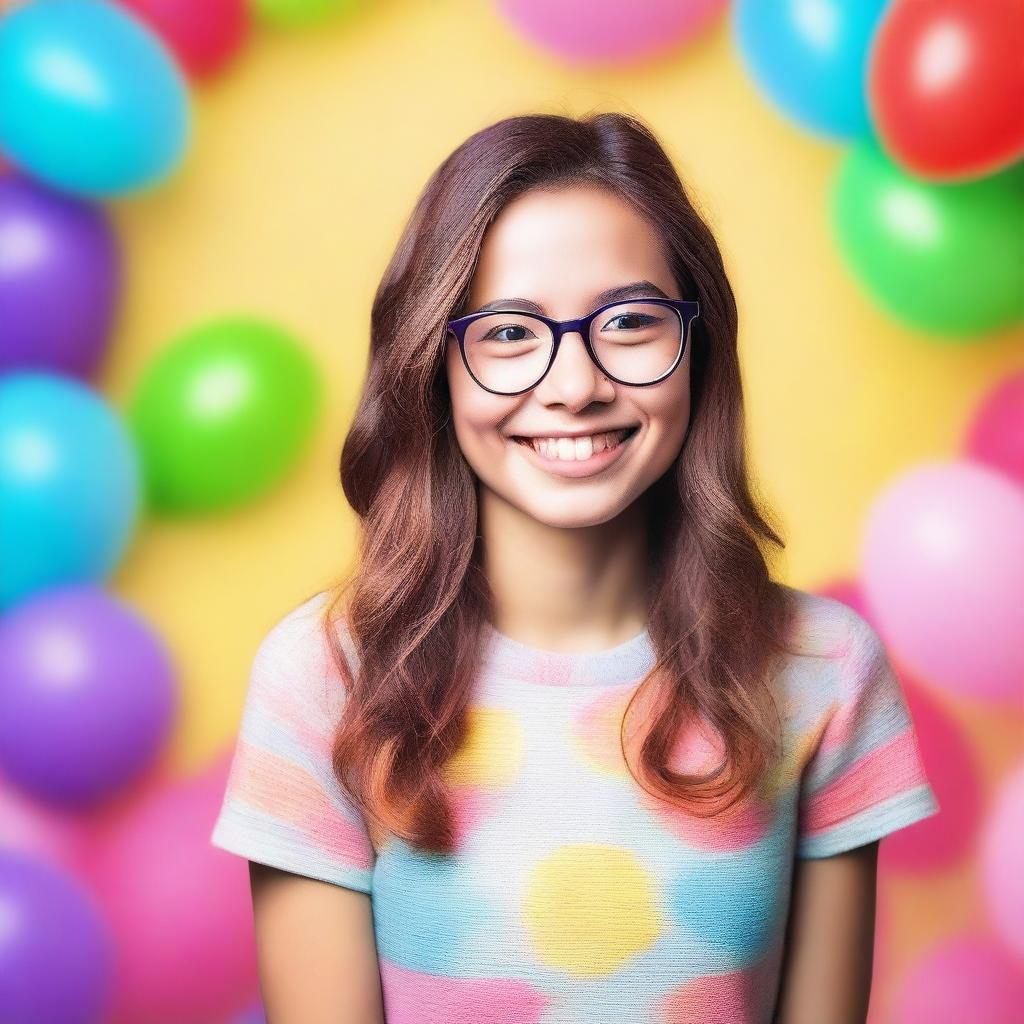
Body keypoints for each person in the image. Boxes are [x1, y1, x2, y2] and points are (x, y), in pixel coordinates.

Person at [210, 111, 939, 1024]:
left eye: (630, 321)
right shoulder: (323, 679)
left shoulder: (822, 670)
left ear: (698, 349)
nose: (575, 382)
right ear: (434, 365)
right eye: (509, 333)